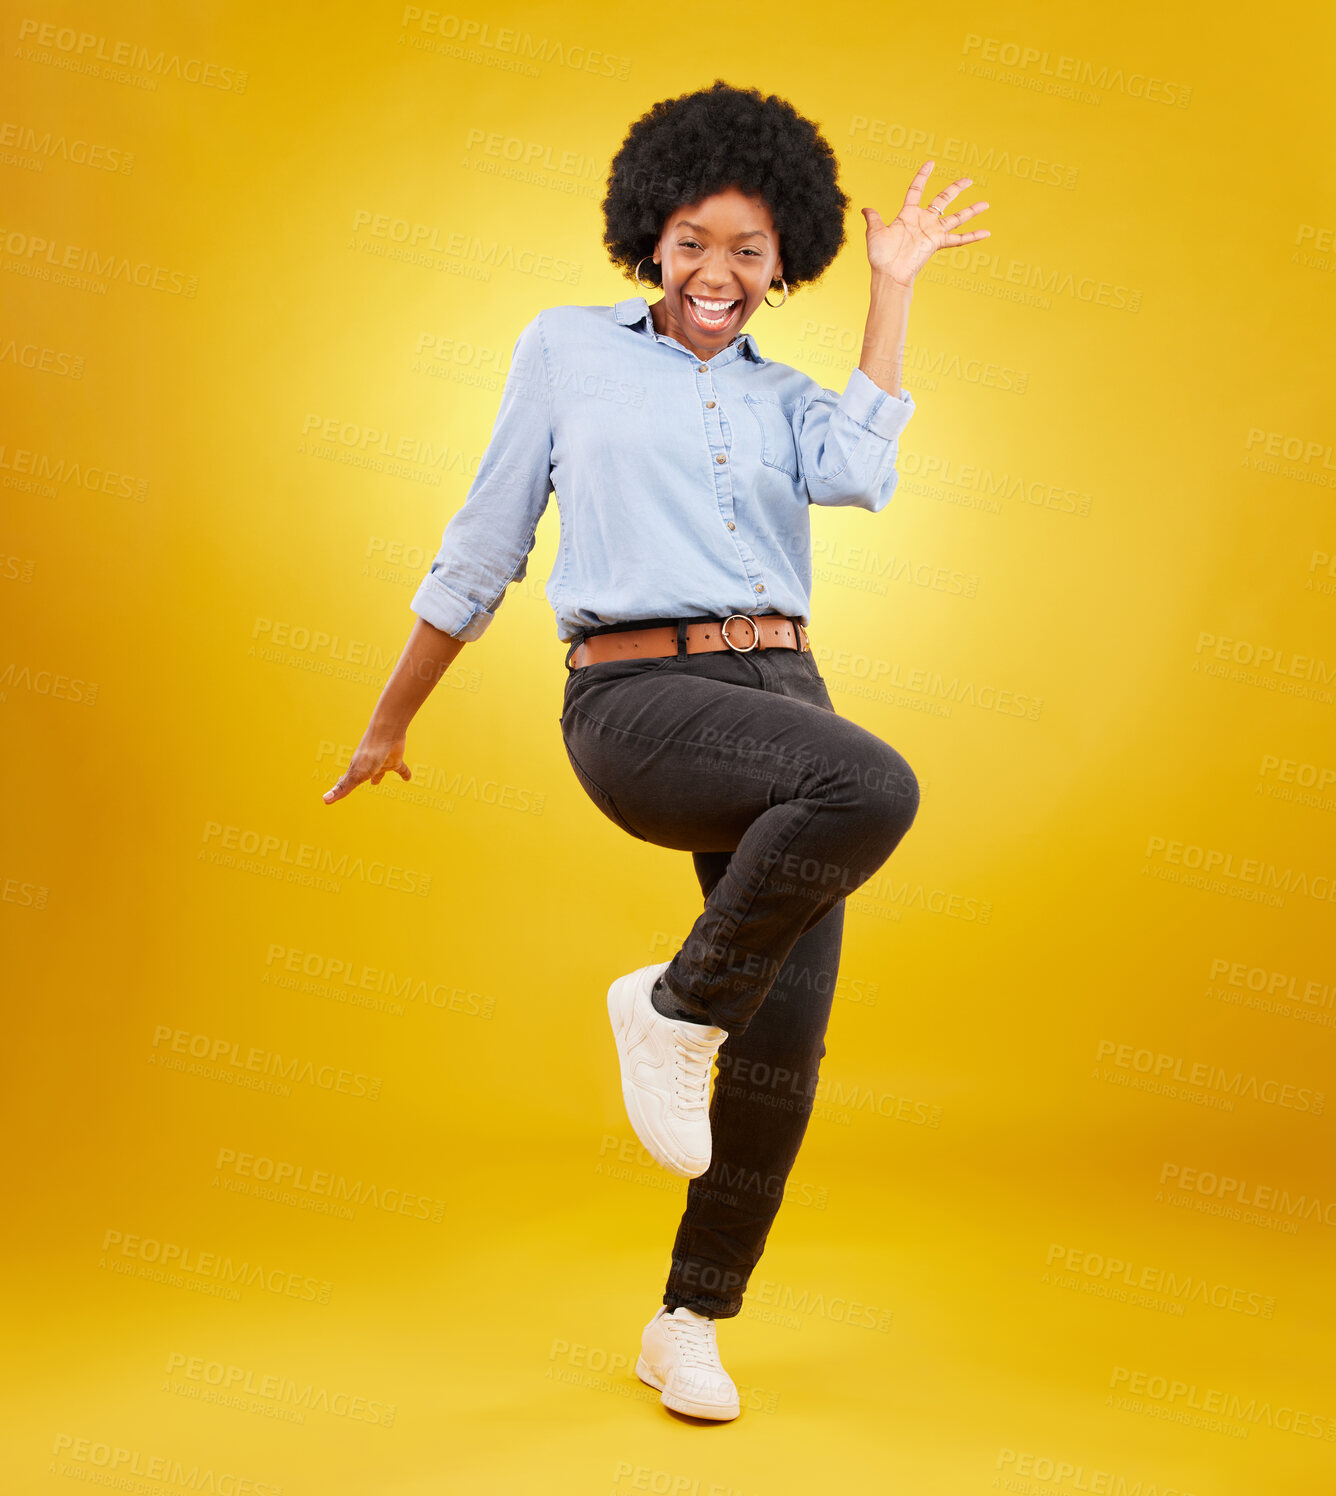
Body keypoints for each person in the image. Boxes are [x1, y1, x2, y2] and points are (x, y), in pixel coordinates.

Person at [323, 79, 990, 1422]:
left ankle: (688, 1321)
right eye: (696, 240)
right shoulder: (567, 350)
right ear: (651, 237)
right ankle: (673, 1007)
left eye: (752, 250)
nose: (720, 272)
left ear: (781, 260)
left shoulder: (787, 394)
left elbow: (863, 474)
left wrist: (895, 285)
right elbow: (486, 543)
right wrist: (393, 716)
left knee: (787, 1046)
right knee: (872, 783)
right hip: (634, 699)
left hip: (781, 686)